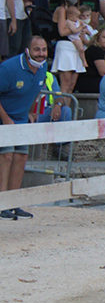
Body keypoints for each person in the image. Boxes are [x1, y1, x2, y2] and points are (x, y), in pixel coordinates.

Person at [0, 37, 49, 191]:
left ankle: (14, 201)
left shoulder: (43, 67)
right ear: (27, 51)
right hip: (4, 118)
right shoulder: (8, 68)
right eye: (37, 49)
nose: (41, 54)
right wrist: (5, 118)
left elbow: (36, 89)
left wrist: (32, 111)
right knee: (6, 156)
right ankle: (2, 203)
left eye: (44, 49)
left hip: (21, 119)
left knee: (21, 156)